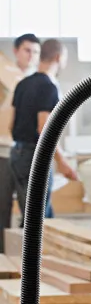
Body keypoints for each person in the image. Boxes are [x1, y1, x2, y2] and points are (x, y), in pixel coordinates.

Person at [10, 38, 78, 222]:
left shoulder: (23, 84)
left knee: (33, 213)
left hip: (17, 152)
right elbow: (44, 129)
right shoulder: (49, 87)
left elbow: (11, 124)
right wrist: (62, 161)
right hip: (35, 155)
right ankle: (38, 250)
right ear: (58, 57)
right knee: (39, 219)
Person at [0, 34, 41, 248]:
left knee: (30, 207)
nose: (31, 56)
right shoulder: (4, 76)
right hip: (3, 149)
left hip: (28, 150)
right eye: (27, 50)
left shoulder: (39, 80)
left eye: (35, 52)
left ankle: (28, 256)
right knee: (2, 205)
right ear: (16, 51)